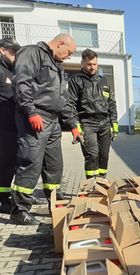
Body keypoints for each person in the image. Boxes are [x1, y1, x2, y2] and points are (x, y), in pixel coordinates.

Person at [11, 33, 77, 225]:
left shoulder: (57, 65)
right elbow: (21, 83)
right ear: (60, 43)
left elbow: (62, 99)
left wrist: (72, 125)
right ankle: (20, 209)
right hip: (35, 118)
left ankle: (54, 202)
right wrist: (31, 112)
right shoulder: (32, 53)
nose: (68, 57)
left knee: (54, 164)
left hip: (53, 121)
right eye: (69, 52)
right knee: (30, 161)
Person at [65, 49, 118, 179]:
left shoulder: (103, 81)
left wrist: (114, 123)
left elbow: (111, 103)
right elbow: (70, 104)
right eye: (89, 64)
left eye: (95, 64)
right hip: (87, 123)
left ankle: (101, 183)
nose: (92, 67)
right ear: (82, 63)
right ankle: (91, 186)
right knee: (92, 155)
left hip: (105, 123)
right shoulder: (75, 80)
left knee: (104, 155)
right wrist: (76, 126)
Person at [0, 38, 21, 214]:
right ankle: (2, 200)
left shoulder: (12, 71)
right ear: (2, 51)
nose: (15, 56)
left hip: (12, 126)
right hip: (3, 127)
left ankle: (5, 197)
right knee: (4, 163)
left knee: (10, 164)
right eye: (13, 53)